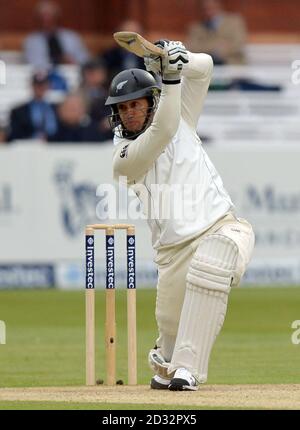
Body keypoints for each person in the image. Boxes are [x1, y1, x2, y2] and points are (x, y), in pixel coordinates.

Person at [105, 40, 255, 391]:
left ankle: (189, 370)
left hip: (224, 228)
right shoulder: (124, 156)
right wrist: (170, 78)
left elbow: (205, 71)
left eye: (136, 104)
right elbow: (164, 130)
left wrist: (179, 59)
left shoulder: (182, 113)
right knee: (168, 344)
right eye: (123, 107)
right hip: (172, 255)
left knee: (215, 258)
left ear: (151, 101)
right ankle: (169, 360)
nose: (129, 112)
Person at [24, 0, 90, 69]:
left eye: (49, 15)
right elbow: (35, 64)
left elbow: (86, 61)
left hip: (73, 73)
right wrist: (58, 61)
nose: (46, 19)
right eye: (43, 16)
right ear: (38, 18)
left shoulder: (71, 37)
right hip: (47, 77)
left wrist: (72, 61)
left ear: (57, 17)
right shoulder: (32, 41)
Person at [186, 0, 247, 64]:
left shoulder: (234, 21)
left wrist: (223, 50)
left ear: (218, 5)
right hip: (206, 66)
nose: (208, 12)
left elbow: (239, 43)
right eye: (205, 9)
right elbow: (191, 47)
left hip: (232, 65)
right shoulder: (197, 27)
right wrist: (215, 46)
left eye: (211, 7)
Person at [8, 71, 58, 142]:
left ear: (48, 86)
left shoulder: (56, 109)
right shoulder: (18, 112)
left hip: (54, 148)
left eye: (43, 85)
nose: (40, 88)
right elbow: (15, 135)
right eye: (37, 85)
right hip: (27, 148)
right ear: (32, 86)